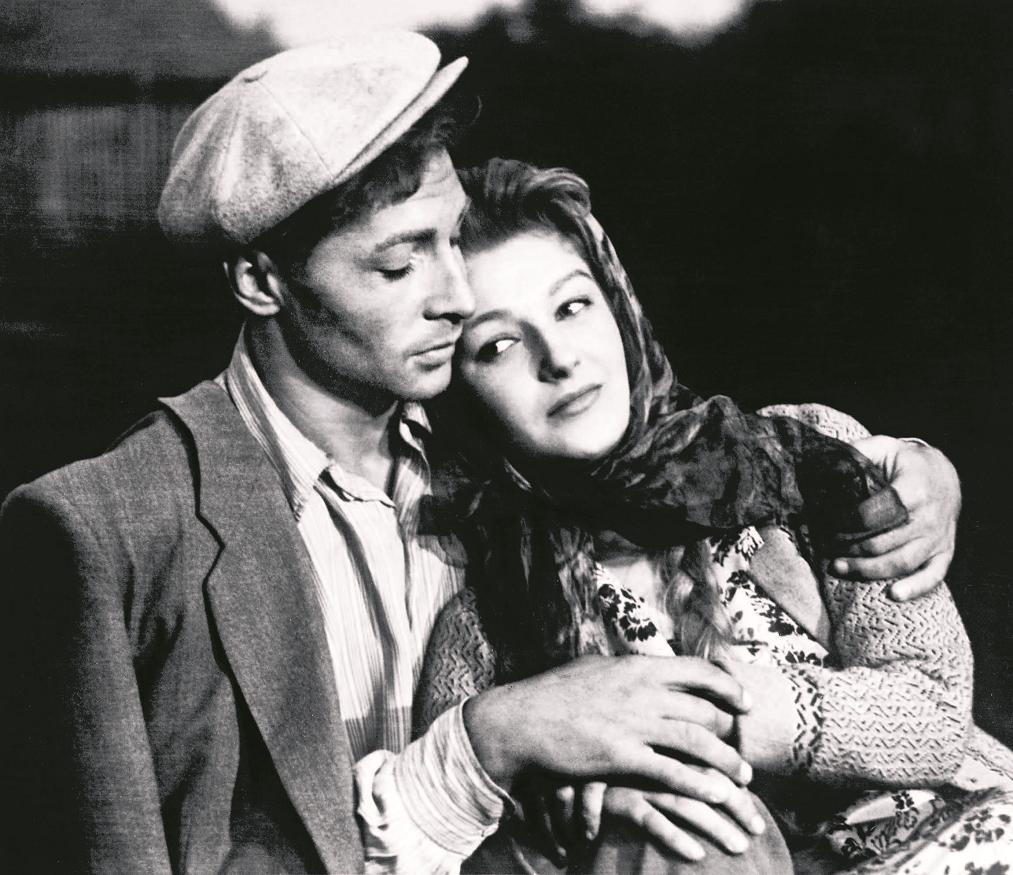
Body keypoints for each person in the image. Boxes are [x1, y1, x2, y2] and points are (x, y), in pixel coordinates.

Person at [0, 35, 962, 874]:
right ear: (260, 281)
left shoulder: (507, 457)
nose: (456, 298)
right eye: (398, 262)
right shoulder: (106, 533)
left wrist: (908, 473)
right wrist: (488, 746)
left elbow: (714, 453)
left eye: (453, 241)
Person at [416, 158, 1013, 873]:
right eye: (498, 345)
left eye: (572, 306)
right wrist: (574, 798)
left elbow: (934, 715)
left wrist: (709, 717)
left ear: (618, 306)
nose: (560, 359)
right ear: (458, 390)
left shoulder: (803, 456)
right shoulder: (484, 621)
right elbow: (464, 833)